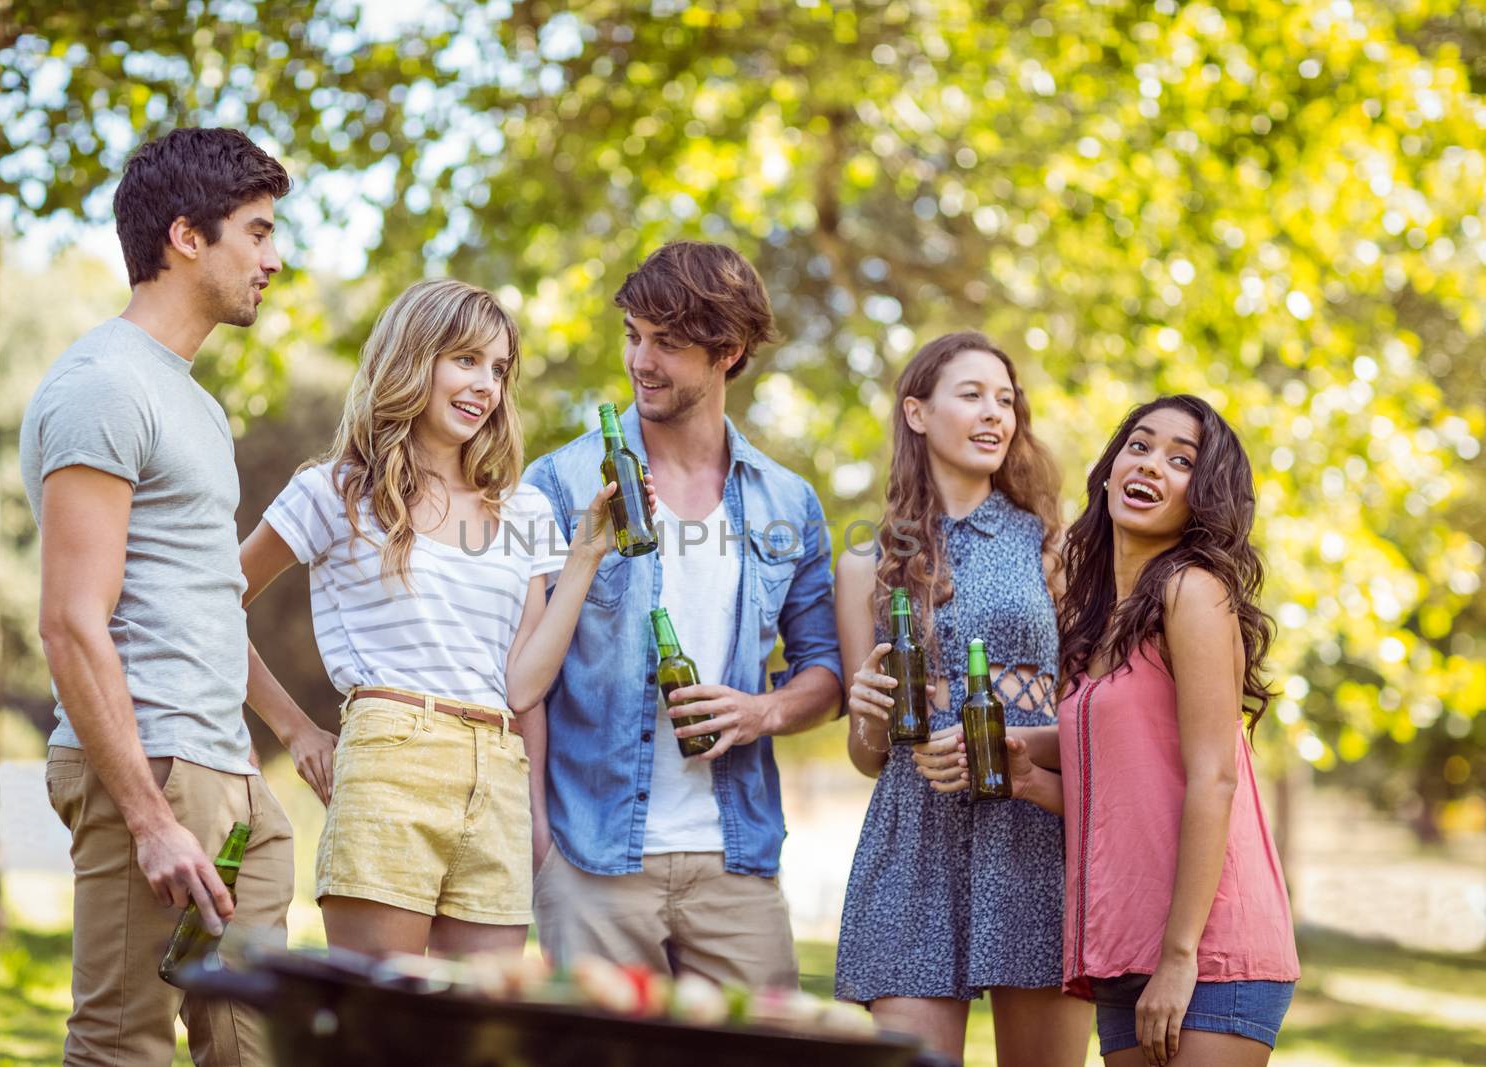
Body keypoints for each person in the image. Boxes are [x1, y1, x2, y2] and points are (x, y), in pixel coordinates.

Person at [238, 278, 641, 958]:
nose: (486, 383)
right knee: (380, 1031)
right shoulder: (336, 492)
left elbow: (522, 686)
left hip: (498, 778)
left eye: (499, 368)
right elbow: (213, 597)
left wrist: (584, 557)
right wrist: (294, 727)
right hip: (391, 763)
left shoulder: (526, 513)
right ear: (413, 358)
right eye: (466, 359)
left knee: (478, 1035)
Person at [21, 128, 301, 1066]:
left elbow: (211, 597)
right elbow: (70, 619)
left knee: (253, 1045)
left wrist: (292, 733)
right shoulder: (103, 385)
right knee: (121, 1046)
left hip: (229, 774)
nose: (276, 257)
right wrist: (149, 816)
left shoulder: (196, 403)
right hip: (153, 762)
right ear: (188, 236)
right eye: (258, 233)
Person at [932, 395, 1299, 1066]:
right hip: (1121, 943)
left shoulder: (1192, 591)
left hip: (1208, 951)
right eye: (1140, 444)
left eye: (1181, 459)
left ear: (1205, 495)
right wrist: (1026, 775)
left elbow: (1215, 776)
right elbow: (1119, 786)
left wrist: (1179, 958)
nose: (1152, 463)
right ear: (1109, 470)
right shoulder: (1098, 616)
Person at [524, 241, 843, 988]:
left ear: (727, 352)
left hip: (734, 858)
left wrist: (761, 711)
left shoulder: (787, 501)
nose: (642, 360)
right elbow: (525, 672)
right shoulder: (559, 481)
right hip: (591, 855)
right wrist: (539, 840)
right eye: (634, 335)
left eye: (667, 343)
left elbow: (826, 667)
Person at [834, 332, 1093, 1064]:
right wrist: (869, 716)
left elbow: (1086, 709)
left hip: (1030, 831)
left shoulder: (1055, 546)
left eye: (1006, 400)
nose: (995, 415)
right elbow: (866, 756)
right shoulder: (865, 563)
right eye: (972, 395)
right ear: (916, 413)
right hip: (915, 833)